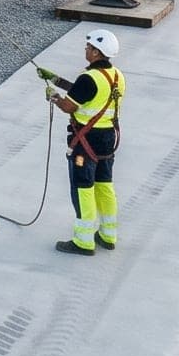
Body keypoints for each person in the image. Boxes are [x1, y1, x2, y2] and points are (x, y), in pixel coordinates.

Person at [42, 28, 125, 256]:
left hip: (86, 140)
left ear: (98, 52)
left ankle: (83, 241)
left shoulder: (89, 78)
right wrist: (56, 79)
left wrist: (54, 96)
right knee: (104, 185)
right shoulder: (116, 76)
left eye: (89, 47)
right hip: (107, 138)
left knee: (83, 188)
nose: (86, 50)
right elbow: (89, 93)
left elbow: (71, 105)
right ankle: (108, 235)